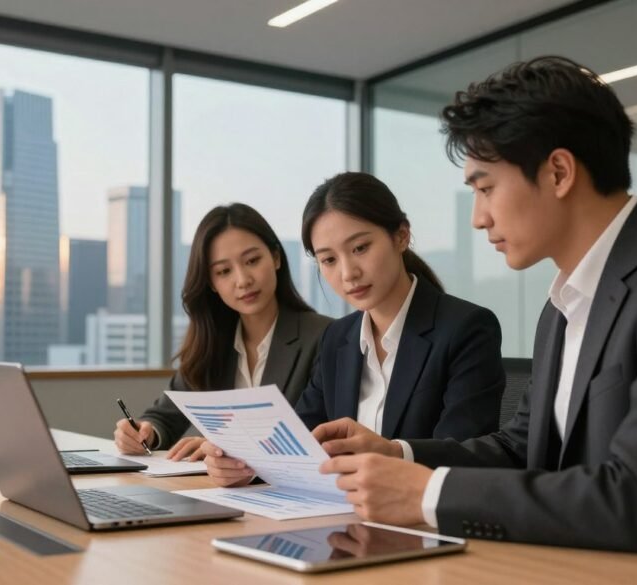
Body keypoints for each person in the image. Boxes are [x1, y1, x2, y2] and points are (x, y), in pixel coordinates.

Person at [315, 56, 637, 563]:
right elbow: (521, 450)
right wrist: (398, 455)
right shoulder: (564, 301)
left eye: (486, 187)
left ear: (558, 171)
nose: (478, 218)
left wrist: (426, 495)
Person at [202, 172, 505, 486]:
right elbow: (300, 439)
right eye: (329, 259)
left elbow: (466, 456)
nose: (348, 273)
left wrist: (393, 453)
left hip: (418, 519)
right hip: (339, 514)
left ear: (401, 236)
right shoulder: (337, 339)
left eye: (360, 248)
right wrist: (242, 463)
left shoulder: (465, 328)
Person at [114, 203, 332, 460]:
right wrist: (144, 432)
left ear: (276, 257)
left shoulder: (324, 336)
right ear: (212, 284)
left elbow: (316, 436)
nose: (242, 280)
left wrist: (223, 446)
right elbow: (163, 417)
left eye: (252, 260)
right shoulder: (212, 343)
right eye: (224, 271)